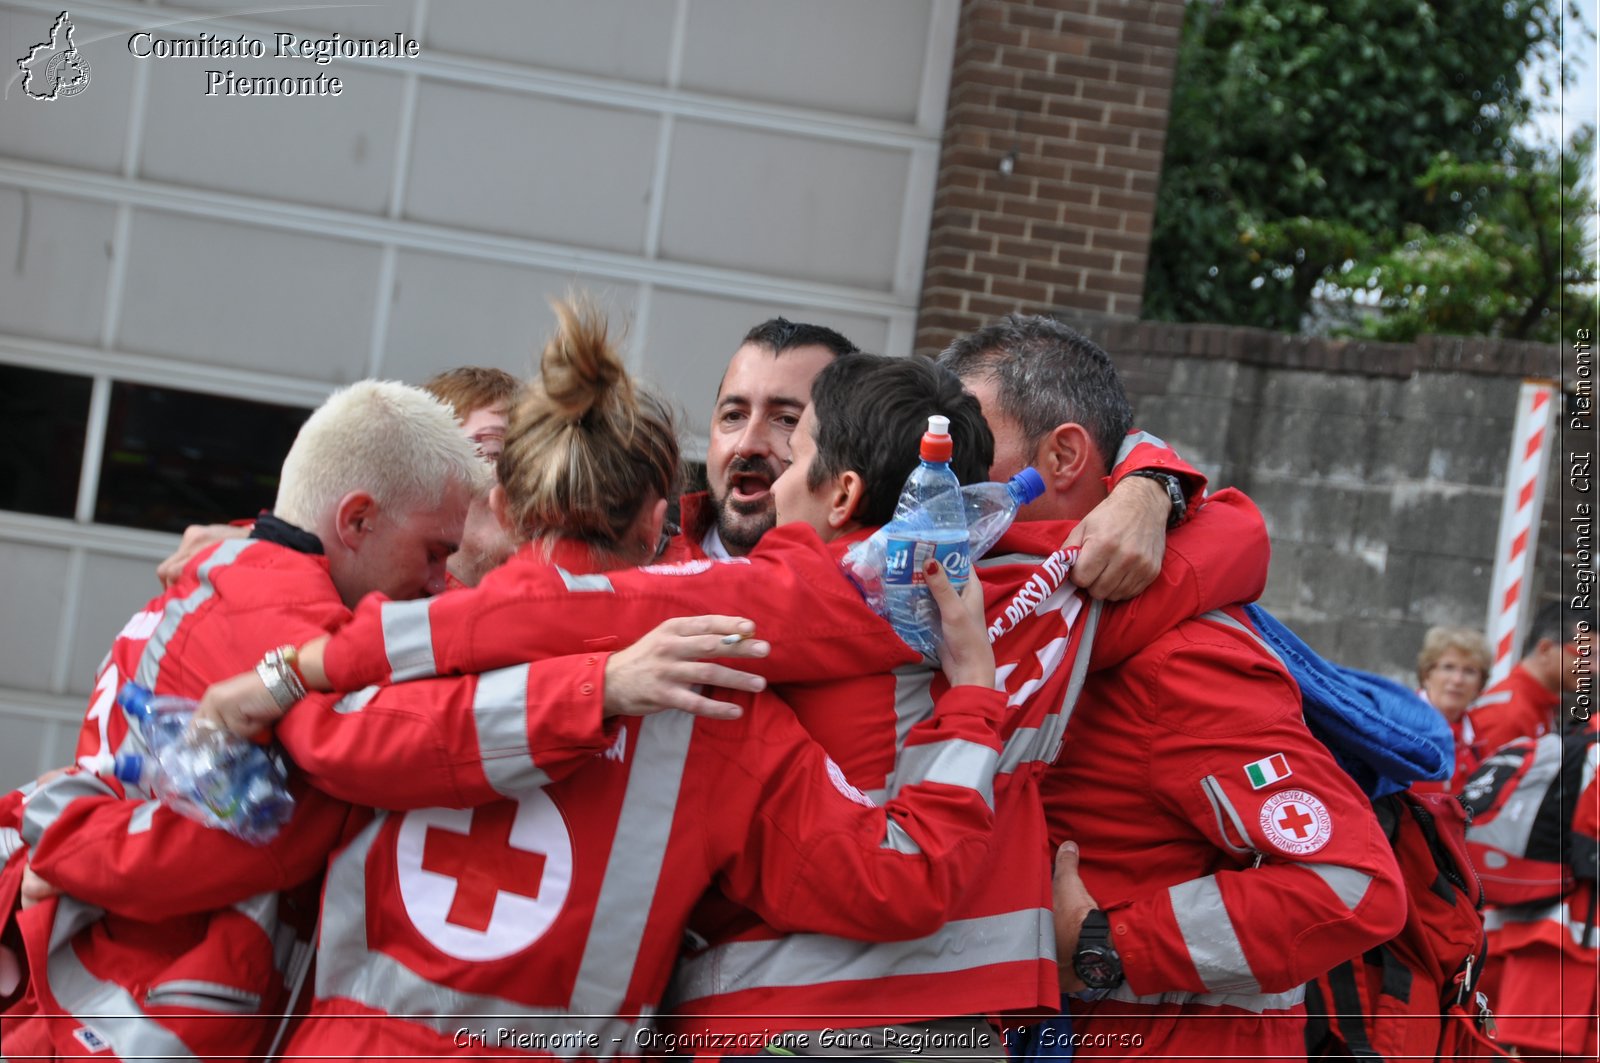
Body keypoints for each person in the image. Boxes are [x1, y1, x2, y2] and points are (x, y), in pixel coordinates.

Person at [191, 298, 1012, 1058]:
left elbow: (307, 750)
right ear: (661, 520)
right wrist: (975, 698)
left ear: (504, 505)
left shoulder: (381, 663)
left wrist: (265, 580)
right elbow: (896, 881)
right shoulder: (720, 693)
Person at [939, 314, 1406, 1060]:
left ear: (1063, 455)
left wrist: (1106, 943)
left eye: (968, 445)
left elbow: (1349, 882)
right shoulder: (994, 621)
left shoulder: (1180, 661)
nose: (941, 474)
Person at [1, 381, 488, 1060]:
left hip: (95, 999)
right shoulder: (286, 616)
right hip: (130, 1016)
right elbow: (304, 819)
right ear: (356, 521)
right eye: (435, 552)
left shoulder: (232, 568)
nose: (442, 581)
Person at [672, 316, 1205, 601]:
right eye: (732, 414)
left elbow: (1223, 543)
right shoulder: (636, 546)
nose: (752, 444)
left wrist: (1150, 489)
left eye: (791, 422)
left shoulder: (926, 582)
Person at [152, 365, 522, 590]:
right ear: (427, 467)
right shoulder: (339, 586)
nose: (517, 481)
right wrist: (260, 545)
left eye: (530, 463)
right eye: (491, 452)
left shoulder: (545, 611)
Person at [1470, 601, 1590, 754]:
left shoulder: (1536, 703)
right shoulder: (1507, 713)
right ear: (1545, 649)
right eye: (1585, 655)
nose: (1593, 667)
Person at [1410, 625, 1492, 794]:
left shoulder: (1475, 733)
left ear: (1480, 685)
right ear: (1427, 675)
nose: (1457, 680)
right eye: (1448, 667)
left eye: (1469, 671)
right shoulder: (1402, 722)